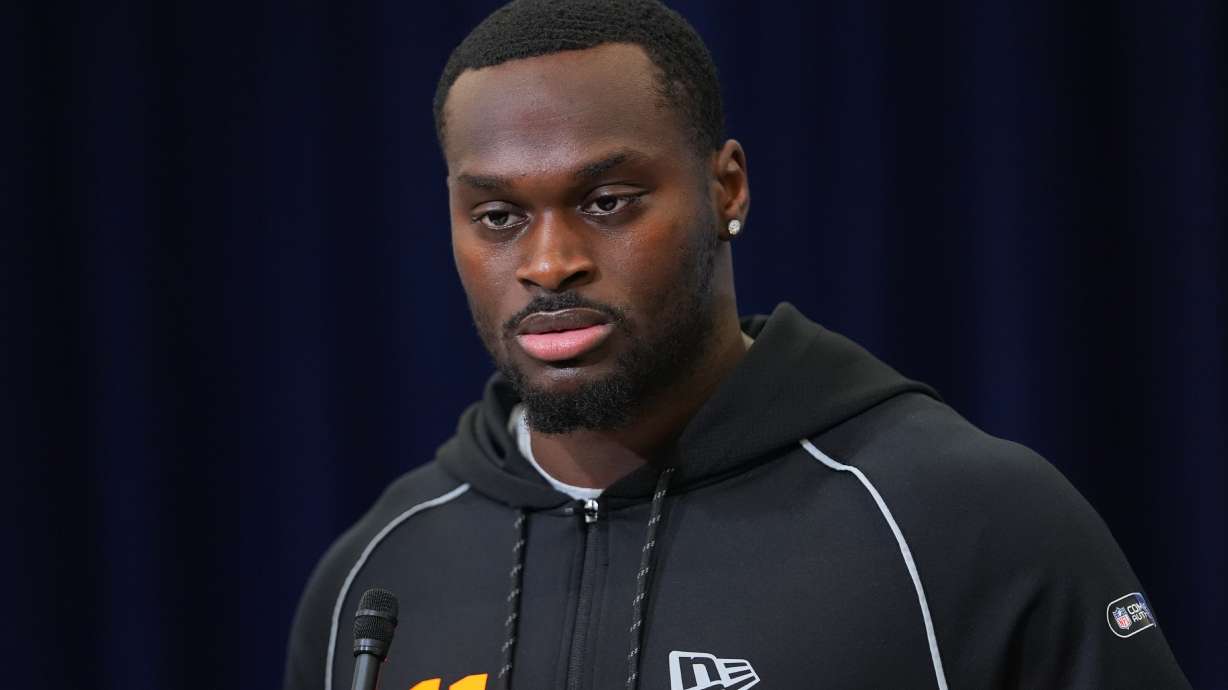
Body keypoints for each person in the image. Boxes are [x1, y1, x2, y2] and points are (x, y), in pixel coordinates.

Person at [283, 1, 1190, 688]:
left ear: (727, 189)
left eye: (607, 202)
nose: (550, 262)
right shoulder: (374, 577)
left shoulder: (968, 524)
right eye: (498, 216)